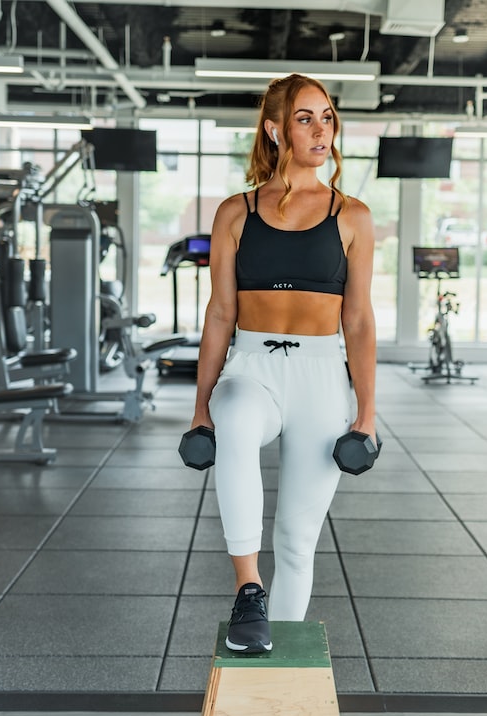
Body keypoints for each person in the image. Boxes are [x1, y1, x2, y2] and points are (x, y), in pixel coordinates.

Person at [189, 73, 377, 653]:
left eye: (327, 117)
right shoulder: (236, 212)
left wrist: (367, 415)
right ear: (275, 130)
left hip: (321, 377)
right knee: (235, 418)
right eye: (305, 118)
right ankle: (249, 588)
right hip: (252, 365)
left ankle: (277, 649)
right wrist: (200, 408)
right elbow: (220, 313)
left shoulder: (352, 215)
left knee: (297, 540)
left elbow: (359, 321)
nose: (322, 130)